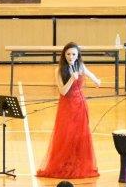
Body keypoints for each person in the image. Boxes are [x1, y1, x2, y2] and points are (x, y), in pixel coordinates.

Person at [37, 42, 101, 179]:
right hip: (67, 107)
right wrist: (72, 79)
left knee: (80, 135)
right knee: (66, 135)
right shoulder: (59, 70)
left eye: (73, 54)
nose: (71, 57)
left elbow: (91, 75)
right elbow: (63, 91)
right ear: (64, 55)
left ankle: (78, 162)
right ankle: (65, 163)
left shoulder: (80, 66)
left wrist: (97, 81)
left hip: (81, 105)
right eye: (68, 54)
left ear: (77, 55)